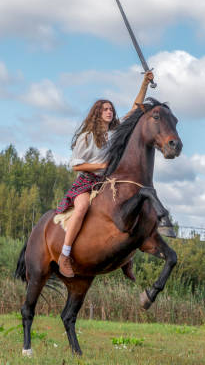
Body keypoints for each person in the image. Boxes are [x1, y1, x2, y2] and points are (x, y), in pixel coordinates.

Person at [55, 71, 154, 277]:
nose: (110, 112)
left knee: (132, 207)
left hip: (108, 182)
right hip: (87, 182)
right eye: (105, 109)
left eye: (111, 109)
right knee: (81, 207)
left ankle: (126, 258)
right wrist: (102, 164)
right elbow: (76, 166)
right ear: (97, 113)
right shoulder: (87, 137)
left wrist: (144, 83)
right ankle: (65, 255)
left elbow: (135, 109)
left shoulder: (115, 132)